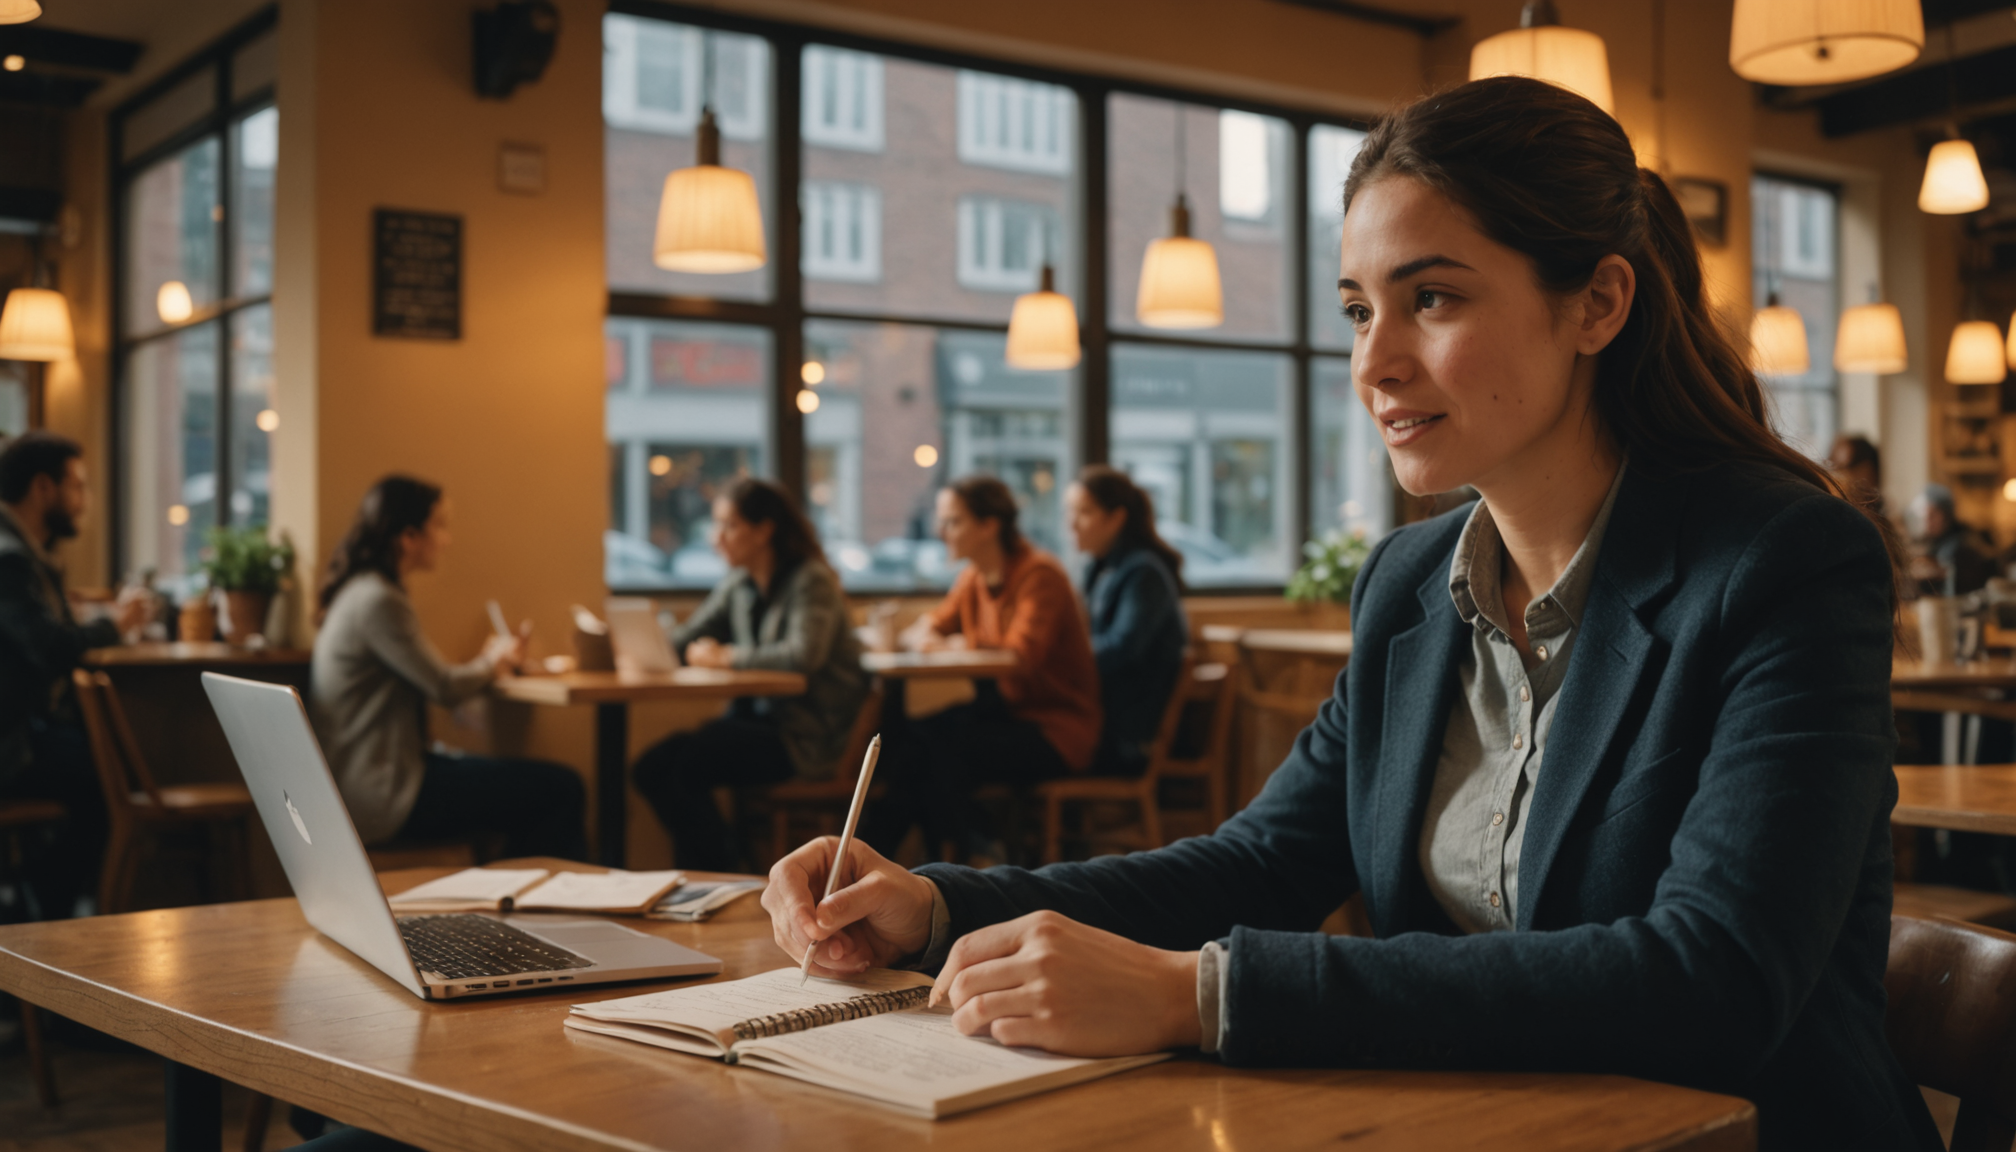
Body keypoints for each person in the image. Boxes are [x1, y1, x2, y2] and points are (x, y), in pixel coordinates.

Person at [763, 77, 1934, 1150]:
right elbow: (1263, 863)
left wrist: (1201, 994)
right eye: (1358, 310)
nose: (1377, 361)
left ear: (1598, 304)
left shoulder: (1785, 563)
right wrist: (934, 905)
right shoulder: (1410, 586)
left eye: (1430, 298)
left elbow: (1712, 981)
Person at [311, 475, 586, 860]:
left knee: (535, 788)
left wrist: (489, 664)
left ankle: (513, 899)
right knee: (561, 788)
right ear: (408, 537)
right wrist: (493, 662)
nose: (447, 539)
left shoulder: (360, 593)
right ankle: (532, 905)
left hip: (370, 783)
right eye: (439, 525)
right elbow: (443, 686)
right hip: (384, 795)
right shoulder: (378, 601)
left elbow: (433, 677)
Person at [630, 478, 868, 872]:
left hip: (804, 737)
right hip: (758, 724)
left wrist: (727, 657)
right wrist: (636, 647)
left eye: (729, 526)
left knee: (691, 763)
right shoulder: (739, 585)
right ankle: (720, 861)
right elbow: (684, 639)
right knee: (651, 767)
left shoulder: (811, 580)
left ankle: (716, 875)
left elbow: (802, 655)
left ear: (764, 530)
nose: (716, 538)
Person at [862, 475, 1100, 863]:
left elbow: (1023, 655)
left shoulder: (1040, 575)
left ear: (990, 525)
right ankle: (937, 856)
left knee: (934, 751)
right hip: (1008, 714)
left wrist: (954, 643)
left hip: (1056, 729)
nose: (941, 532)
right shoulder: (973, 576)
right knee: (913, 742)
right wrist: (921, 634)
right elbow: (935, 624)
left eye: (953, 522)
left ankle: (945, 861)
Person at [0, 432, 148, 918]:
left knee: (102, 768)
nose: (85, 501)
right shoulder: (10, 558)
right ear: (44, 487)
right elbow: (51, 647)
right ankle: (49, 916)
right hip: (11, 745)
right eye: (78, 486)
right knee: (112, 781)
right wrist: (115, 624)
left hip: (23, 732)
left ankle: (46, 904)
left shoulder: (24, 554)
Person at [1066, 466, 1188, 776]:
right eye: (1070, 512)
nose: (1071, 524)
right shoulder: (1101, 568)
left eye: (1084, 512)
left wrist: (1061, 662)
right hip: (1101, 717)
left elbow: (1121, 648)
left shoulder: (1143, 572)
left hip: (1124, 734)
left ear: (1116, 518)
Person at [1906, 483, 1993, 599]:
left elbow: (1962, 592)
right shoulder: (1937, 543)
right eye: (1925, 516)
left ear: (1947, 515)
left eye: (1933, 515)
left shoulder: (1963, 545)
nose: (1928, 522)